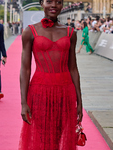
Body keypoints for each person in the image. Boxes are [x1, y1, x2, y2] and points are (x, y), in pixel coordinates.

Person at [19, 0, 83, 149]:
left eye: (58, 2)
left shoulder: (70, 33)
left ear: (62, 6)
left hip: (66, 92)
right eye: (49, 1)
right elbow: (25, 69)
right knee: (43, 137)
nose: (54, 5)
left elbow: (73, 68)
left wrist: (79, 100)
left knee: (62, 135)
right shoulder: (30, 31)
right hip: (40, 92)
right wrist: (23, 102)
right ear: (42, 3)